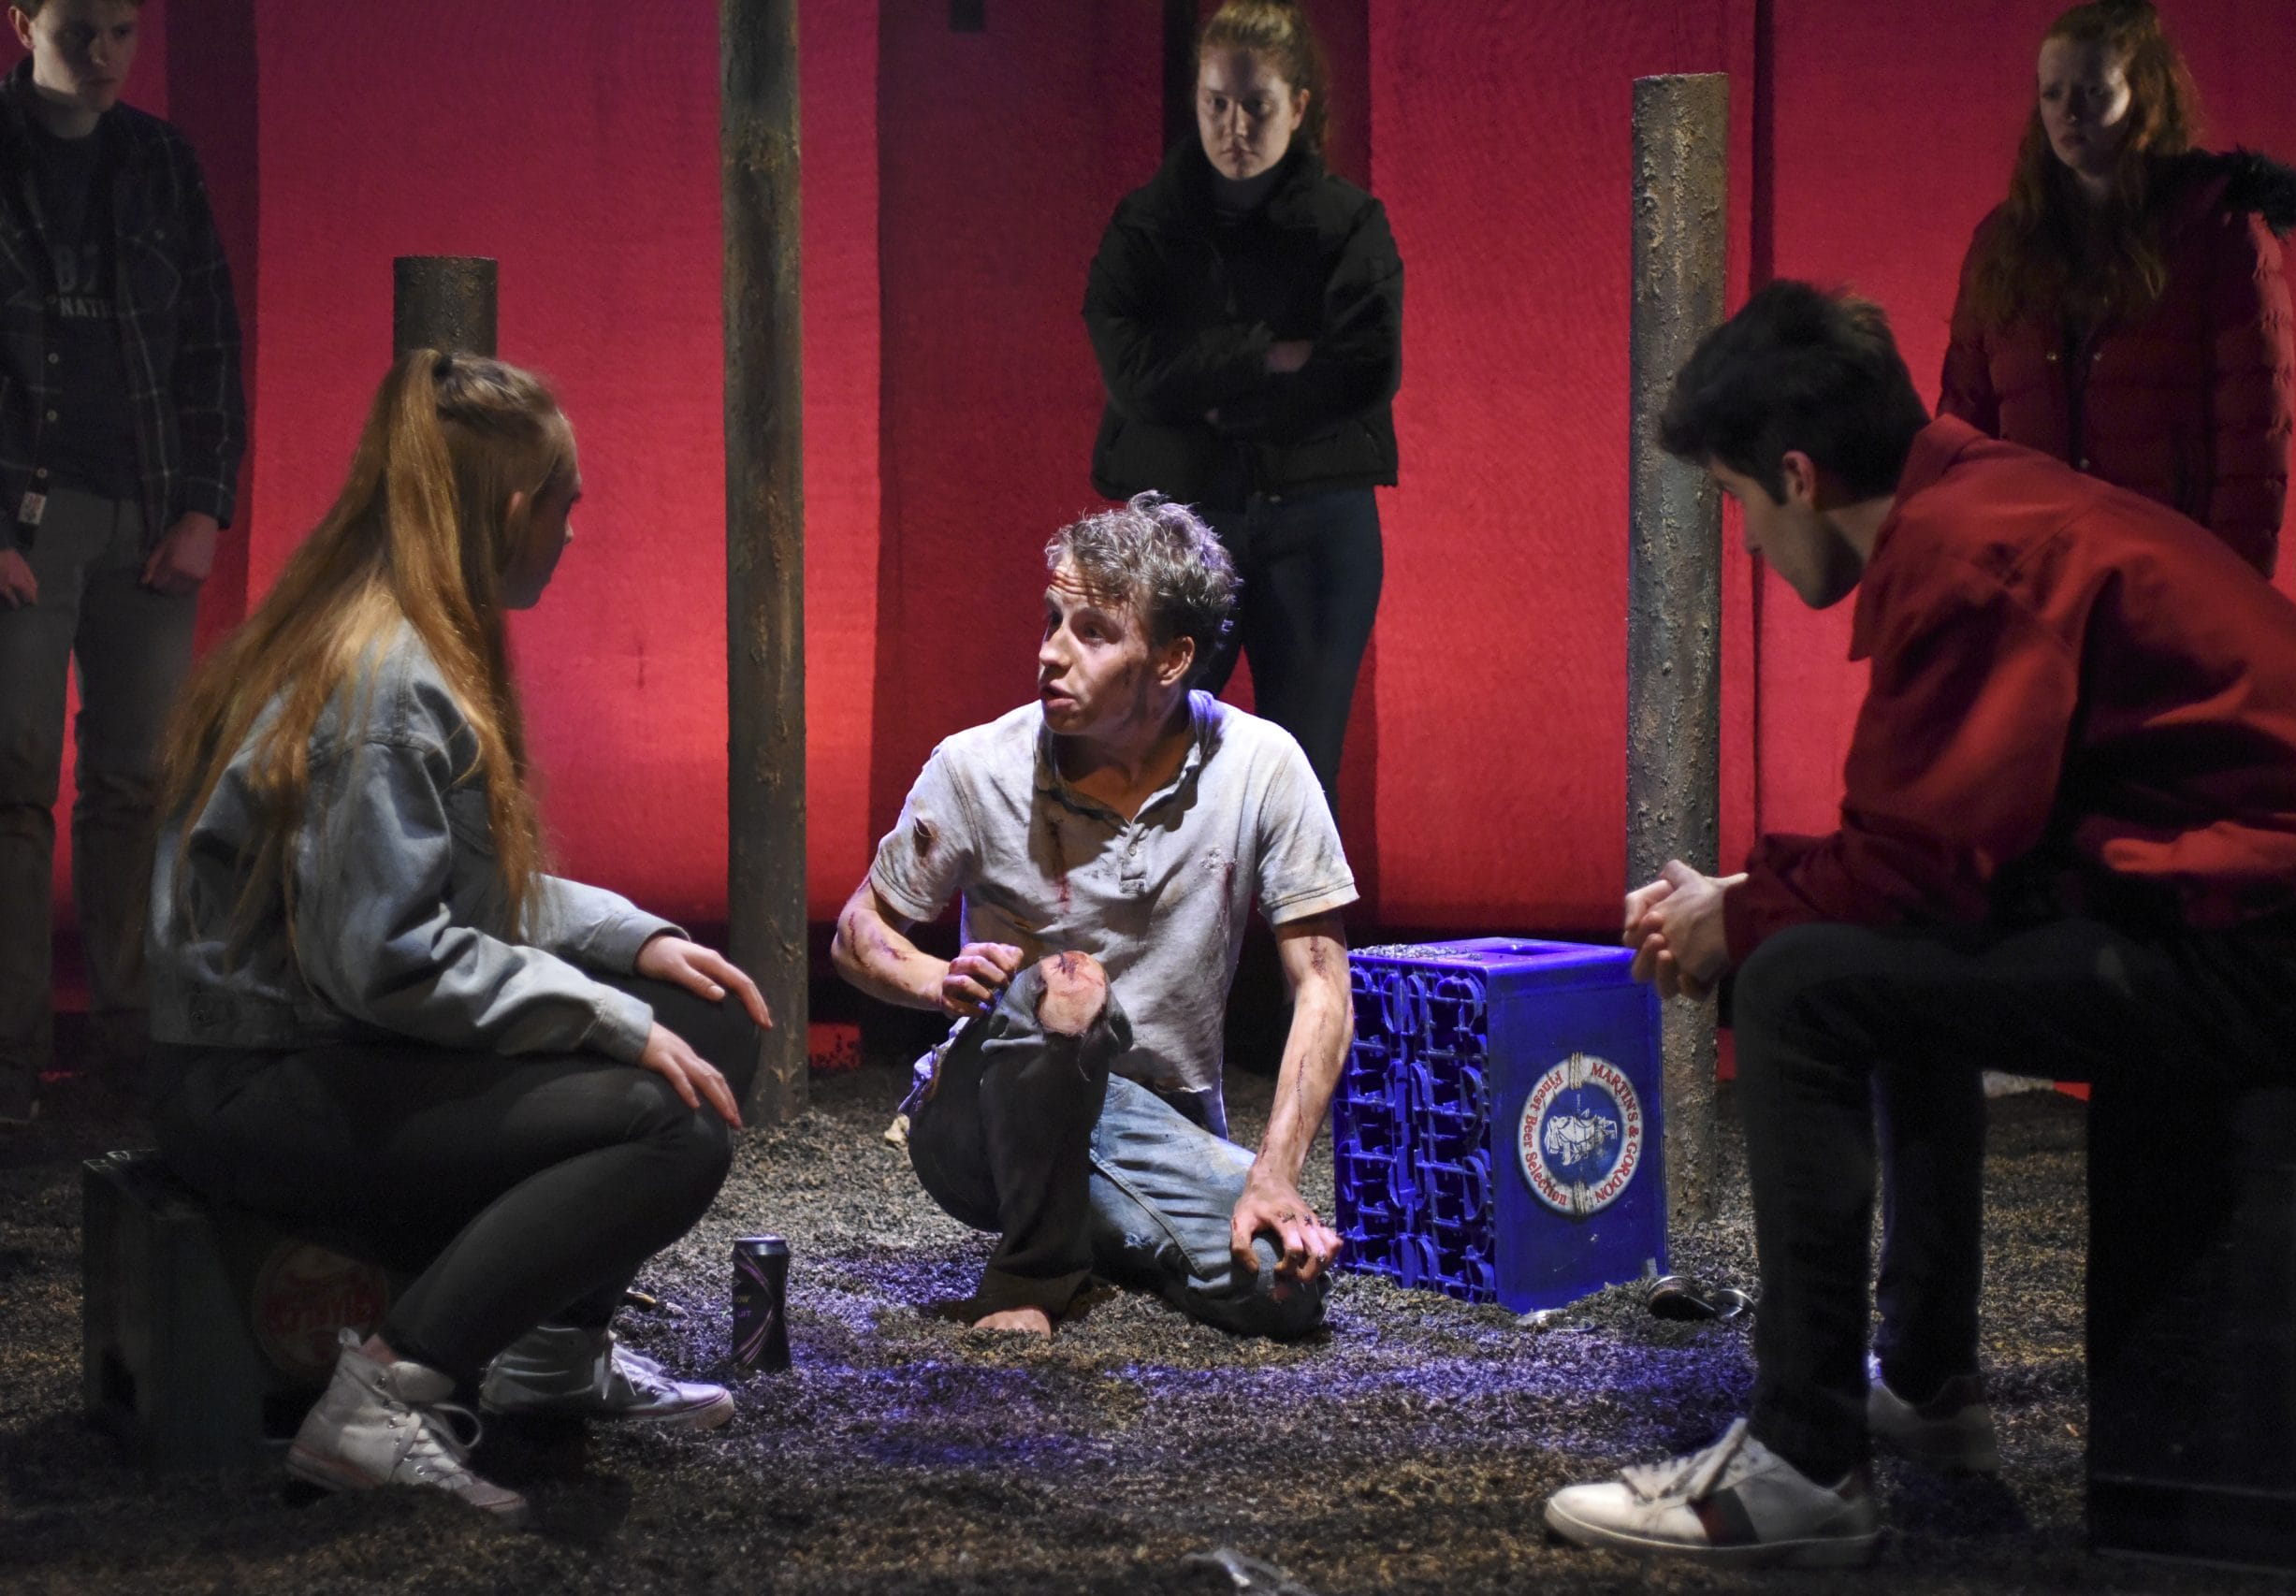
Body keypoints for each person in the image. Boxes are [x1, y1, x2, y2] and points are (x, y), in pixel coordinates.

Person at [1542, 282, 2296, 1567]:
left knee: (1801, 986)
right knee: (1860, 956)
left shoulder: (1969, 553)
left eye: (1738, 507)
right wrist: (1755, 897)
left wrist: (1744, 920)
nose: (1751, 544)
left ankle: (1803, 1459)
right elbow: (1949, 856)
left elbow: (1922, 866)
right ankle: (1930, 1383)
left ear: (1797, 473)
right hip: (2295, 922)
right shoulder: (1982, 493)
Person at [149, 352, 771, 1521]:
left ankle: (545, 1350)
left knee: (709, 1025)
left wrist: (629, 945)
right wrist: (601, 1015)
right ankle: (383, 1398)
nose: (575, 532)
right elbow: (388, 957)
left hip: (333, 1035)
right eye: (566, 501)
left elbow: (451, 889)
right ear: (511, 508)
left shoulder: (414, 635)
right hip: (260, 1081)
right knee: (671, 1132)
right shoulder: (384, 678)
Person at [833, 492, 1356, 1341]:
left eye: (1092, 632)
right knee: (1069, 984)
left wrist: (1276, 1173)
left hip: (1154, 1126)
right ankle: (1028, 1274)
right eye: (1051, 620)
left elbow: (1324, 986)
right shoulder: (977, 766)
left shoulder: (1264, 766)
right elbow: (859, 933)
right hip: (984, 1121)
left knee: (1281, 1287)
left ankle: (1102, 1234)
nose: (1050, 653)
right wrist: (939, 978)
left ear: (1172, 659)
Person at [0, 0, 244, 1124]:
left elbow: (207, 340)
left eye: (123, 33)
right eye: (79, 32)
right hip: (26, 515)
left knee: (135, 785)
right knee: (11, 784)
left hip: (143, 515)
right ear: (22, 22)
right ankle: (10, 1061)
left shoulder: (159, 160)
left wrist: (202, 505)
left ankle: (131, 1045)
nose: (104, 58)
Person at [1083, 0, 1400, 817]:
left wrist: (1214, 398)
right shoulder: (1146, 224)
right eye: (1216, 103)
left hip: (1318, 526)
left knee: (1304, 779)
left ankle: (1298, 948)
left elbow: (1361, 372)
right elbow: (1134, 377)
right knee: (1147, 764)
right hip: (1182, 525)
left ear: (1298, 105)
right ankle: (1149, 948)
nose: (1234, 127)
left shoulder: (1349, 225)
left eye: (1256, 106)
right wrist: (1264, 356)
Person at [1939, 0, 2296, 578]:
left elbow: (2253, 444)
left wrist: (2228, 598)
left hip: (2161, 578)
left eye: (2093, 92)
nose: (2069, 113)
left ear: (2145, 98)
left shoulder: (2220, 232)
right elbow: (1964, 423)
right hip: (2034, 577)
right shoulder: (2004, 244)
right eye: (2052, 93)